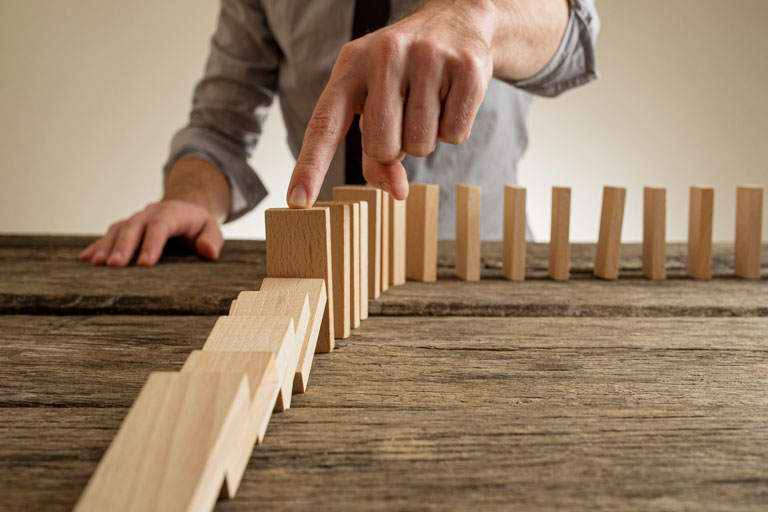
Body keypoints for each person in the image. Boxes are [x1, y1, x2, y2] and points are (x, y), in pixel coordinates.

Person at [80, 0, 599, 268]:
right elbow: (218, 131)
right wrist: (189, 198)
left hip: (483, 271)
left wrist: (474, 17)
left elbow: (574, 30)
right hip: (325, 275)